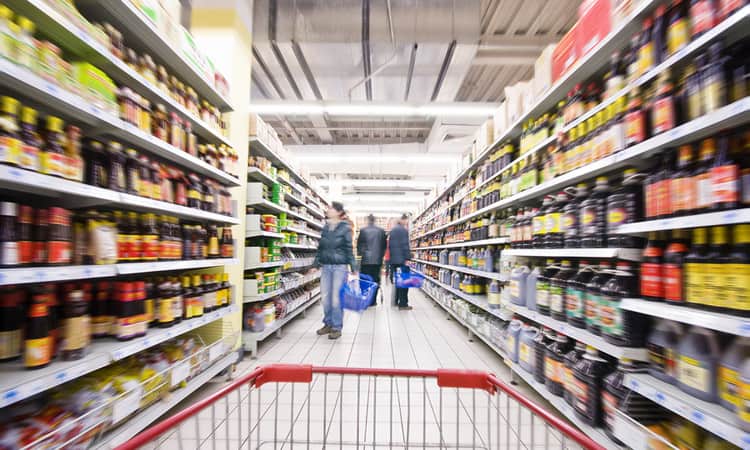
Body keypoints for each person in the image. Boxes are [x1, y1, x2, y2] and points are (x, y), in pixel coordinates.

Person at [314, 201, 356, 339]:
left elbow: (349, 248)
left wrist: (353, 266)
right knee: (326, 297)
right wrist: (316, 263)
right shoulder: (326, 227)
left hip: (339, 267)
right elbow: (321, 247)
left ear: (338, 212)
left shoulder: (345, 228)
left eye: (331, 208)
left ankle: (337, 327)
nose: (328, 209)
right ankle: (328, 323)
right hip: (326, 266)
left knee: (336, 298)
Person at [356, 214, 386, 304]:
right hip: (377, 260)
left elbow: (359, 245)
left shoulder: (363, 230)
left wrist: (361, 254)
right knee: (375, 280)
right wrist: (381, 255)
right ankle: (373, 301)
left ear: (368, 220)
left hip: (365, 261)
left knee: (365, 280)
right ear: (374, 220)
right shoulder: (381, 231)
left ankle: (366, 298)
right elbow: (384, 245)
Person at [388, 214, 412, 310]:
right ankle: (403, 304)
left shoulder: (393, 230)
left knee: (398, 281)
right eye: (407, 221)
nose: (407, 223)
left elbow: (390, 246)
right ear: (404, 220)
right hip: (402, 261)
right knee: (405, 282)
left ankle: (396, 300)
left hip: (394, 260)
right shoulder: (403, 231)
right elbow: (405, 246)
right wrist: (407, 258)